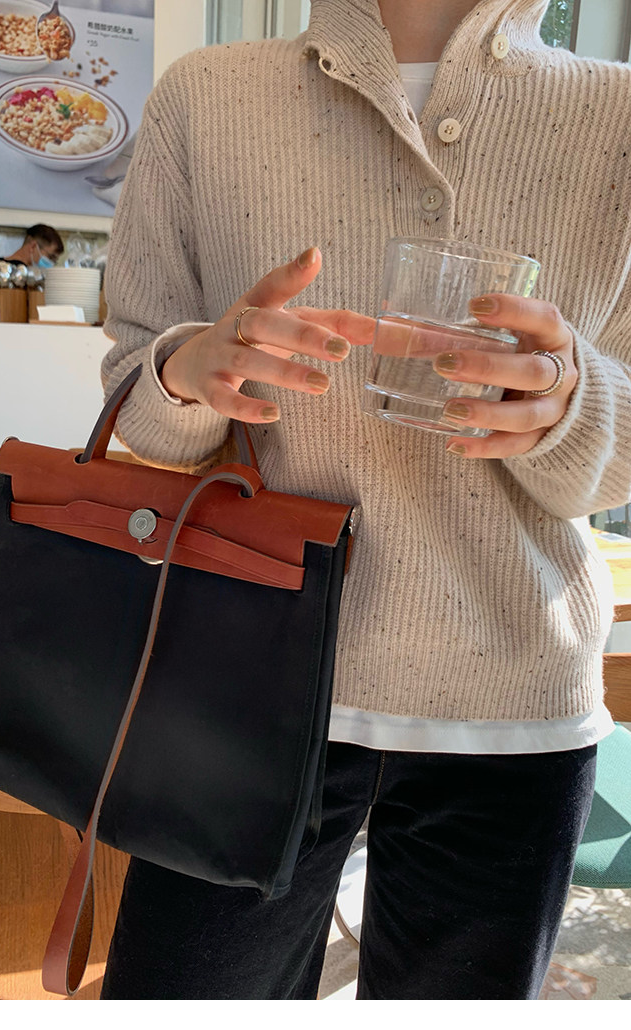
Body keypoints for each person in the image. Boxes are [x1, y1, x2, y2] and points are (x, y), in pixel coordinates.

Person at [98, 0, 631, 1000]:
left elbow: (615, 467)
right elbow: (139, 396)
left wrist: (571, 407)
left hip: (509, 695)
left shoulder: (619, 121)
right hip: (242, 682)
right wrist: (186, 370)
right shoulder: (206, 99)